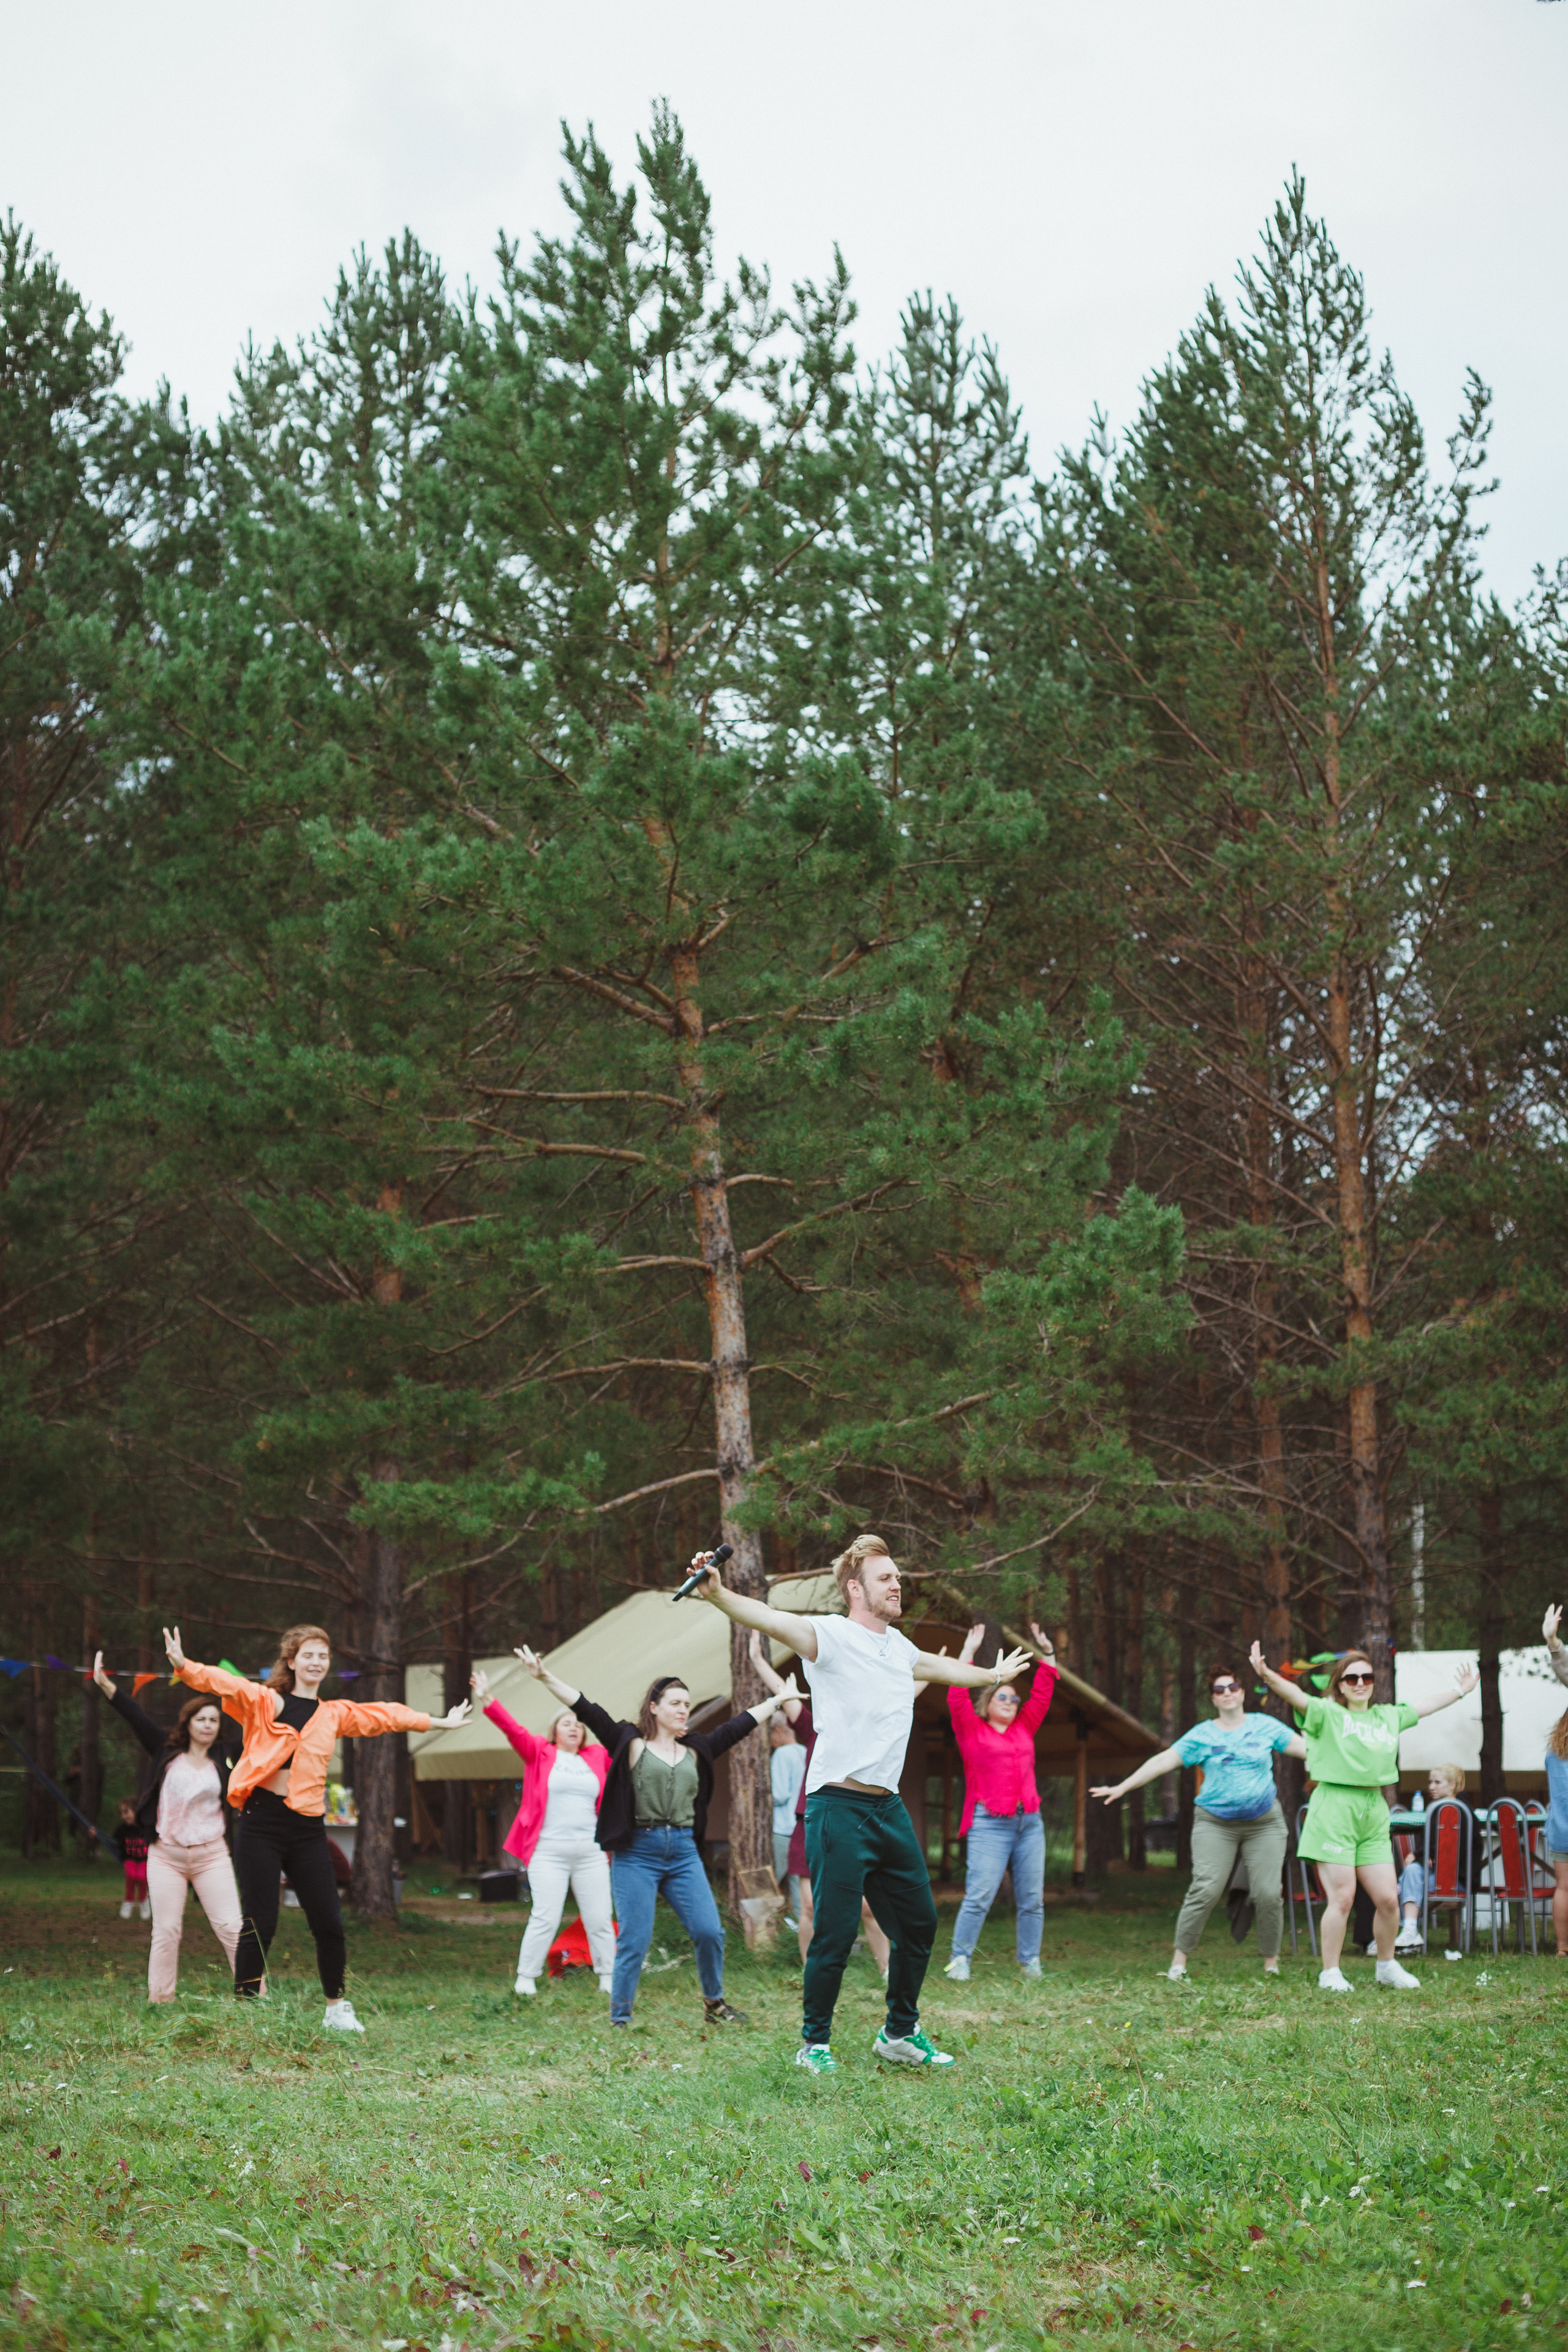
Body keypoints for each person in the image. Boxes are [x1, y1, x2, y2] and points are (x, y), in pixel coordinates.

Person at [690, 1531, 1031, 2075]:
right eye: (886, 1578)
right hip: (837, 1807)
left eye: (897, 1577)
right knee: (834, 1928)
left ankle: (899, 2032)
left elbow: (946, 1672)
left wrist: (991, 1675)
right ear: (855, 1588)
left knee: (918, 1924)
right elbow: (769, 1618)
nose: (898, 1584)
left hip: (887, 1809)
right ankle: (815, 2043)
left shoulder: (900, 1650)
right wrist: (718, 1594)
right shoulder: (828, 1636)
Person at [164, 1621, 469, 2031]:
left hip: (307, 1828)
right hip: (261, 1823)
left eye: (323, 1656)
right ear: (291, 1661)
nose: (316, 1662)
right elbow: (226, 1684)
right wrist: (185, 1666)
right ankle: (246, 2011)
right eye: (308, 1654)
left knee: (329, 1921)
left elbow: (381, 1716)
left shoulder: (334, 1713)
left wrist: (437, 1722)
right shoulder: (266, 1701)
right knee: (260, 1921)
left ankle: (336, 2009)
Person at [515, 1645, 797, 2029]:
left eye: (687, 1703)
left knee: (709, 1931)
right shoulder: (629, 1742)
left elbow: (738, 1727)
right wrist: (544, 1676)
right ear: (654, 1707)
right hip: (637, 1853)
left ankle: (715, 2005)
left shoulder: (696, 1749)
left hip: (682, 1852)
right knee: (634, 1940)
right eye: (675, 1703)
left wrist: (777, 1700)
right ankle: (621, 2017)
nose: (683, 1709)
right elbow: (587, 1709)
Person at [1250, 1640, 1478, 1993]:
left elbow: (1425, 1706)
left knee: (1388, 1898)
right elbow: (1296, 1695)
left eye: (1367, 1677)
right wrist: (1266, 1674)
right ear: (1340, 1684)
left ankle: (1386, 1965)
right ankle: (1331, 1972)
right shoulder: (1327, 1713)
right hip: (1334, 1807)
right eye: (1352, 1677)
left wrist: (1460, 1692)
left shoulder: (1387, 1716)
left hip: (1374, 1810)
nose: (1360, 1683)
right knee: (1342, 1897)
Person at [1091, 1661, 1305, 1981]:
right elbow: (1164, 1761)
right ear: (1213, 1699)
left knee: (1267, 1893)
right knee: (1205, 1889)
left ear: (1243, 1693)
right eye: (1220, 1690)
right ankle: (1178, 1964)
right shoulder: (1202, 1735)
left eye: (1233, 1687)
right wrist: (1123, 1786)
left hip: (1264, 1822)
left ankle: (1271, 1964)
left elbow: (1310, 1752)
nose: (1227, 1693)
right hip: (1215, 1823)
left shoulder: (1265, 1726)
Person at [94, 1653, 245, 2001]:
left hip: (212, 1857)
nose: (208, 1725)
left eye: (213, 1720)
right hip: (167, 1856)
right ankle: (161, 2000)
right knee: (165, 1930)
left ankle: (254, 1995)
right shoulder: (165, 1749)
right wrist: (107, 1686)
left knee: (233, 1929)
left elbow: (261, 1728)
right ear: (188, 1722)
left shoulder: (226, 1754)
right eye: (201, 1719)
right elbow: (136, 1716)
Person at [748, 1631, 891, 1976]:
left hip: (854, 1824)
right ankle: (814, 1971)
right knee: (809, 1906)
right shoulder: (814, 1727)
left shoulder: (869, 1728)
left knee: (867, 1907)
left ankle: (889, 1970)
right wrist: (757, 1660)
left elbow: (904, 1695)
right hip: (810, 1824)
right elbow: (786, 1693)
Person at [472, 1659, 616, 1999]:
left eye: (579, 1725)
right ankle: (526, 1977)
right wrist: (489, 1699)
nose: (574, 1728)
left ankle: (609, 1977)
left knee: (599, 1918)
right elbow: (513, 1730)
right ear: (554, 1730)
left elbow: (622, 1747)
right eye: (566, 1723)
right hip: (548, 1852)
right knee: (545, 1916)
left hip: (591, 1852)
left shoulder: (597, 1756)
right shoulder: (540, 1753)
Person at [943, 1620, 1059, 1985]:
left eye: (1014, 1698)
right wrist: (967, 1655)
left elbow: (1043, 1693)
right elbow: (955, 1696)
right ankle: (959, 1959)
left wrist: (1048, 1654)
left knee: (1032, 1900)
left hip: (1030, 1823)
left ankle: (1030, 1963)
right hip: (989, 1823)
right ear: (988, 1701)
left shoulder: (1025, 1727)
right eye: (1002, 1697)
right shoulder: (971, 1730)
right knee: (979, 1896)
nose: (1011, 1702)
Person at [1393, 1763, 1474, 1958]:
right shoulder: (1433, 1811)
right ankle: (1410, 1930)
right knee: (1412, 1871)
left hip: (1457, 1881)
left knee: (1408, 1879)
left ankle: (1398, 1889)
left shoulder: (1463, 1813)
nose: (1432, 1787)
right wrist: (1421, 1857)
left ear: (1452, 1785)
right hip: (1435, 1877)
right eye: (1430, 1782)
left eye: (1438, 1782)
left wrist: (1421, 1855)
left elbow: (1452, 1850)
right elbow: (1430, 1849)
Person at [1543, 1604, 1568, 1958]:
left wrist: (1553, 1642)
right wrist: (1553, 1644)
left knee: (1564, 1888)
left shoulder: (1554, 1749)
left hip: (1561, 1828)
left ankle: (1563, 1948)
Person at [769, 1709, 807, 1926]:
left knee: (775, 1879)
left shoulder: (782, 1754)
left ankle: (777, 1927)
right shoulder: (804, 1751)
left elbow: (780, 1794)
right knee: (801, 1882)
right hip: (802, 1827)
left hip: (784, 1829)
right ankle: (804, 1925)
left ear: (777, 1730)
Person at [112, 1801, 151, 1921]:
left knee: (141, 1876)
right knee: (131, 1874)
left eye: (126, 1812)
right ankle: (129, 1900)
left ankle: (143, 1900)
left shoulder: (146, 1828)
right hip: (129, 1859)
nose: (124, 1816)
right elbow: (111, 1841)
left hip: (145, 1859)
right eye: (122, 1813)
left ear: (136, 1811)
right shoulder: (122, 1830)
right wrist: (96, 1835)